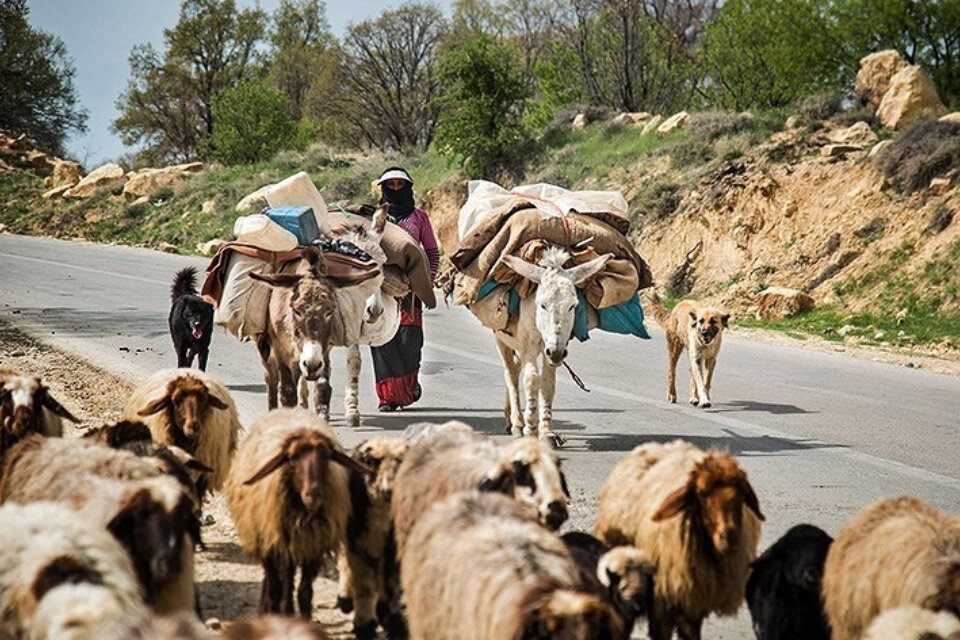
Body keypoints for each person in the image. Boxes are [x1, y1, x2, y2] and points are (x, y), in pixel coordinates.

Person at [371, 167, 439, 411]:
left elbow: (431, 251)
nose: (396, 189)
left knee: (410, 342)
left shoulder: (419, 217)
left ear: (408, 187)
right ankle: (387, 397)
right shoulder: (374, 216)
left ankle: (409, 388)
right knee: (381, 340)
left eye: (401, 184)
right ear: (384, 188)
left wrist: (426, 280)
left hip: (410, 291)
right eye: (391, 185)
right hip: (380, 288)